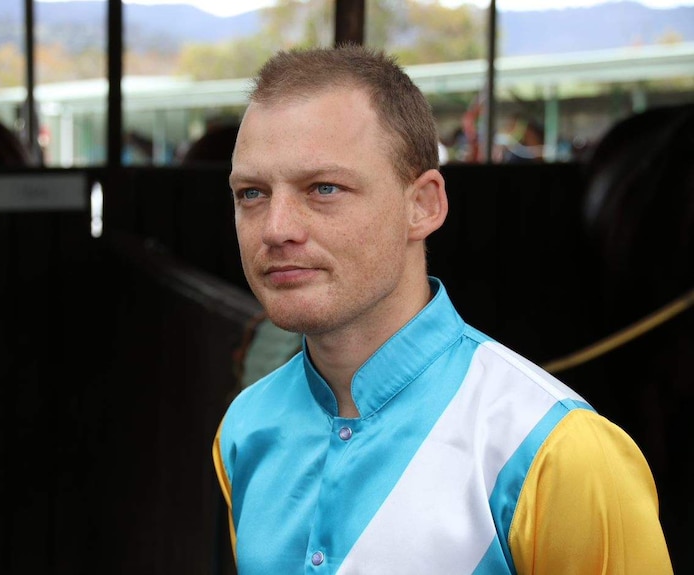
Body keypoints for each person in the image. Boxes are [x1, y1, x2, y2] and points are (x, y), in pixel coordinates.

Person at [212, 44, 672, 574]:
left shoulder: (559, 453)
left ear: (423, 205)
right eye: (251, 193)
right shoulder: (244, 430)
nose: (276, 228)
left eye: (324, 187)